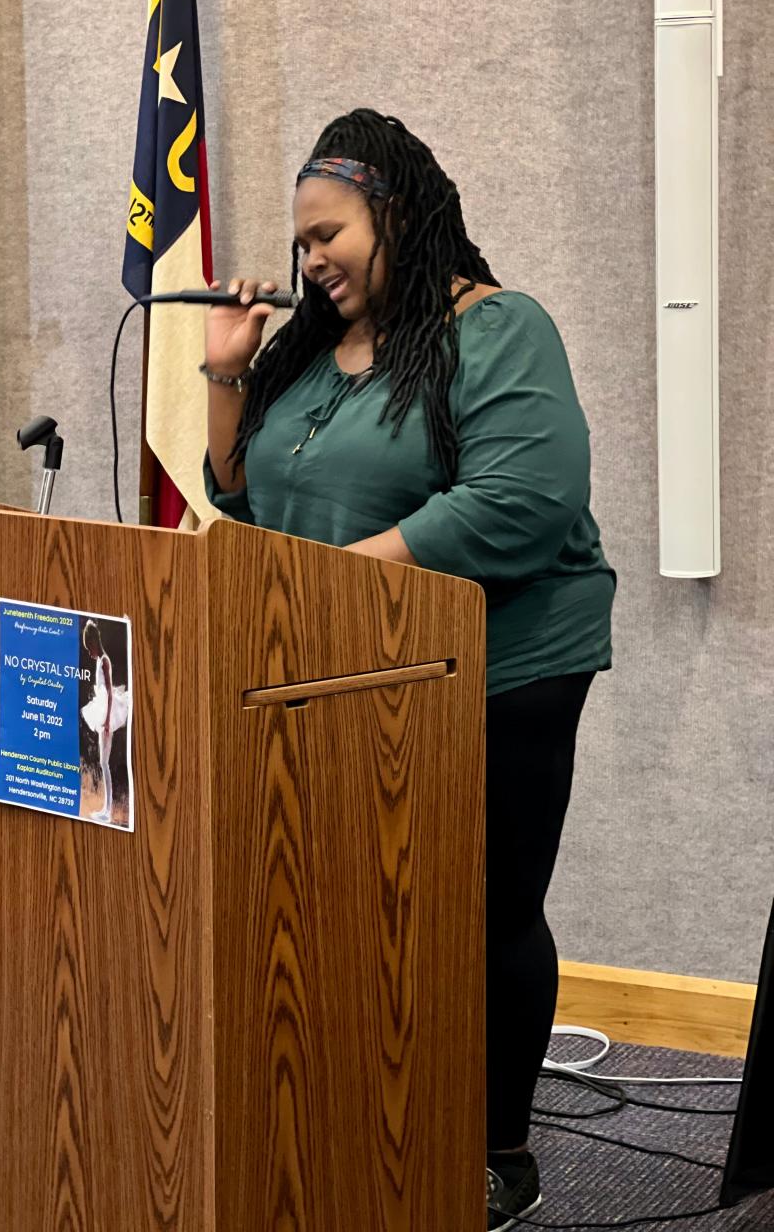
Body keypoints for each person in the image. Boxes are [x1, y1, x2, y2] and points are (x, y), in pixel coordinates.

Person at [202, 108, 615, 1229]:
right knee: (351, 906)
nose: (309, 258)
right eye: (299, 241)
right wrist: (225, 372)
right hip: (344, 668)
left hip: (500, 667)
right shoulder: (309, 353)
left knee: (480, 908)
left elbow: (523, 503)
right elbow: (243, 496)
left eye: (328, 231)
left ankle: (498, 1151)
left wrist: (339, 584)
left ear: (393, 214)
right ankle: (370, 1117)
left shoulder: (496, 329)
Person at [80, 620, 129, 825]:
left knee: (104, 763)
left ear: (94, 642)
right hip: (102, 712)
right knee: (103, 762)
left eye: (88, 648)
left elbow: (109, 693)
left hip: (106, 714)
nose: (89, 653)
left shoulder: (104, 661)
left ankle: (108, 811)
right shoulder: (100, 660)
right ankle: (106, 809)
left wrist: (107, 719)